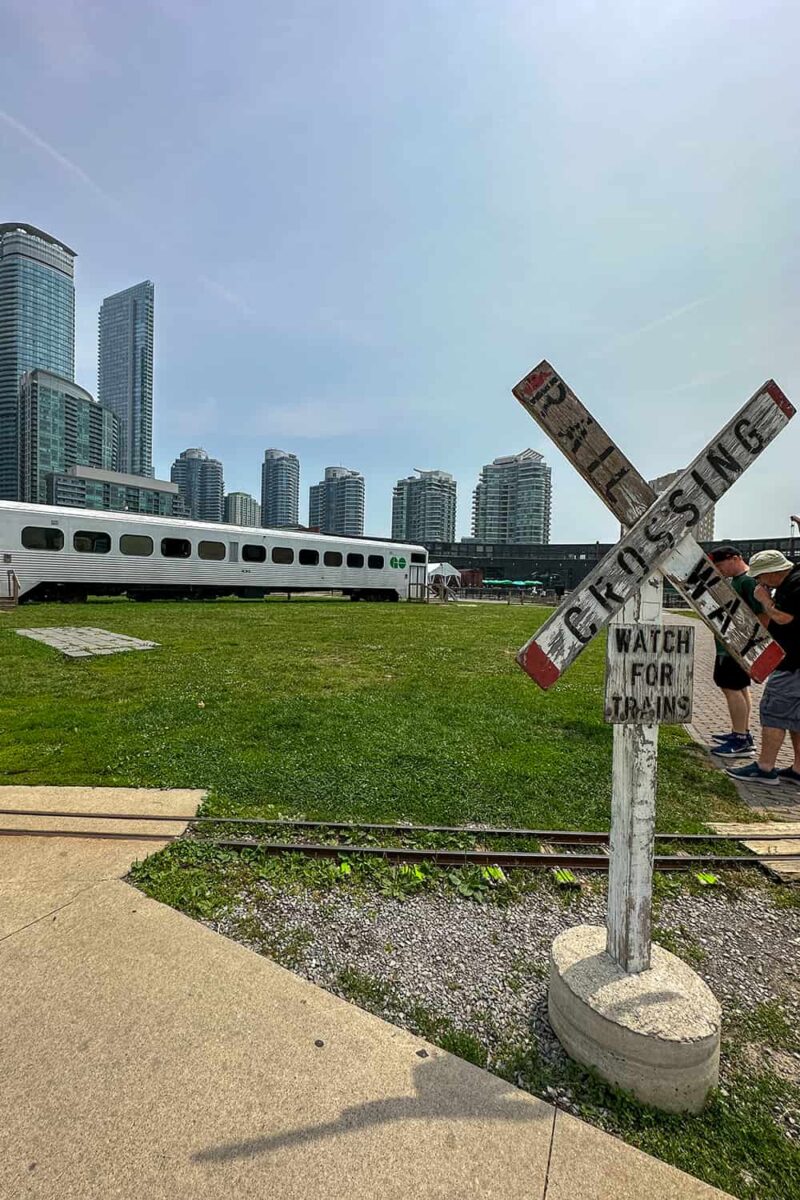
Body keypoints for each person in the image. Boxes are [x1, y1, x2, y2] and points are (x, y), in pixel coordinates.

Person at [727, 550, 800, 786]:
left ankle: (765, 767)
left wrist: (765, 601)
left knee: (774, 713)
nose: (759, 583)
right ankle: (799, 769)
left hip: (793, 665)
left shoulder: (795, 586)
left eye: (761, 578)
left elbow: (784, 618)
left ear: (772, 572)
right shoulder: (796, 577)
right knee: (796, 718)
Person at [706, 547, 763, 758]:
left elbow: (761, 614)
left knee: (731, 688)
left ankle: (740, 740)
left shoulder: (747, 581)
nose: (719, 570)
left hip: (737, 647)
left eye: (720, 565)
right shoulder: (737, 581)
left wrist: (753, 645)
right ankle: (742, 732)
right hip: (731, 645)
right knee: (739, 687)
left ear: (735, 558)